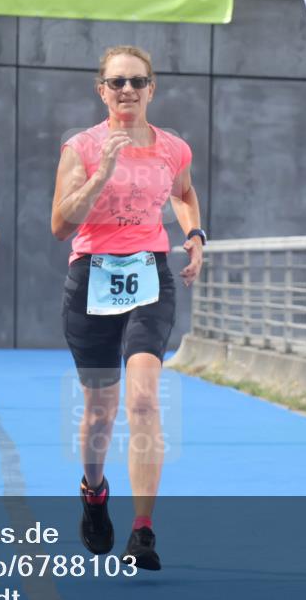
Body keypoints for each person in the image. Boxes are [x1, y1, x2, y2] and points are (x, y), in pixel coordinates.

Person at [51, 45, 205, 570]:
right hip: (91, 279)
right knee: (100, 411)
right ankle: (94, 493)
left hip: (149, 277)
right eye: (117, 82)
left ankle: (143, 530)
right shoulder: (82, 147)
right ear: (102, 90)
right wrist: (102, 173)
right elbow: (60, 225)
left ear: (151, 89)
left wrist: (195, 234)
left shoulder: (173, 148)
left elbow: (184, 192)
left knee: (143, 401)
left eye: (137, 82)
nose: (127, 91)